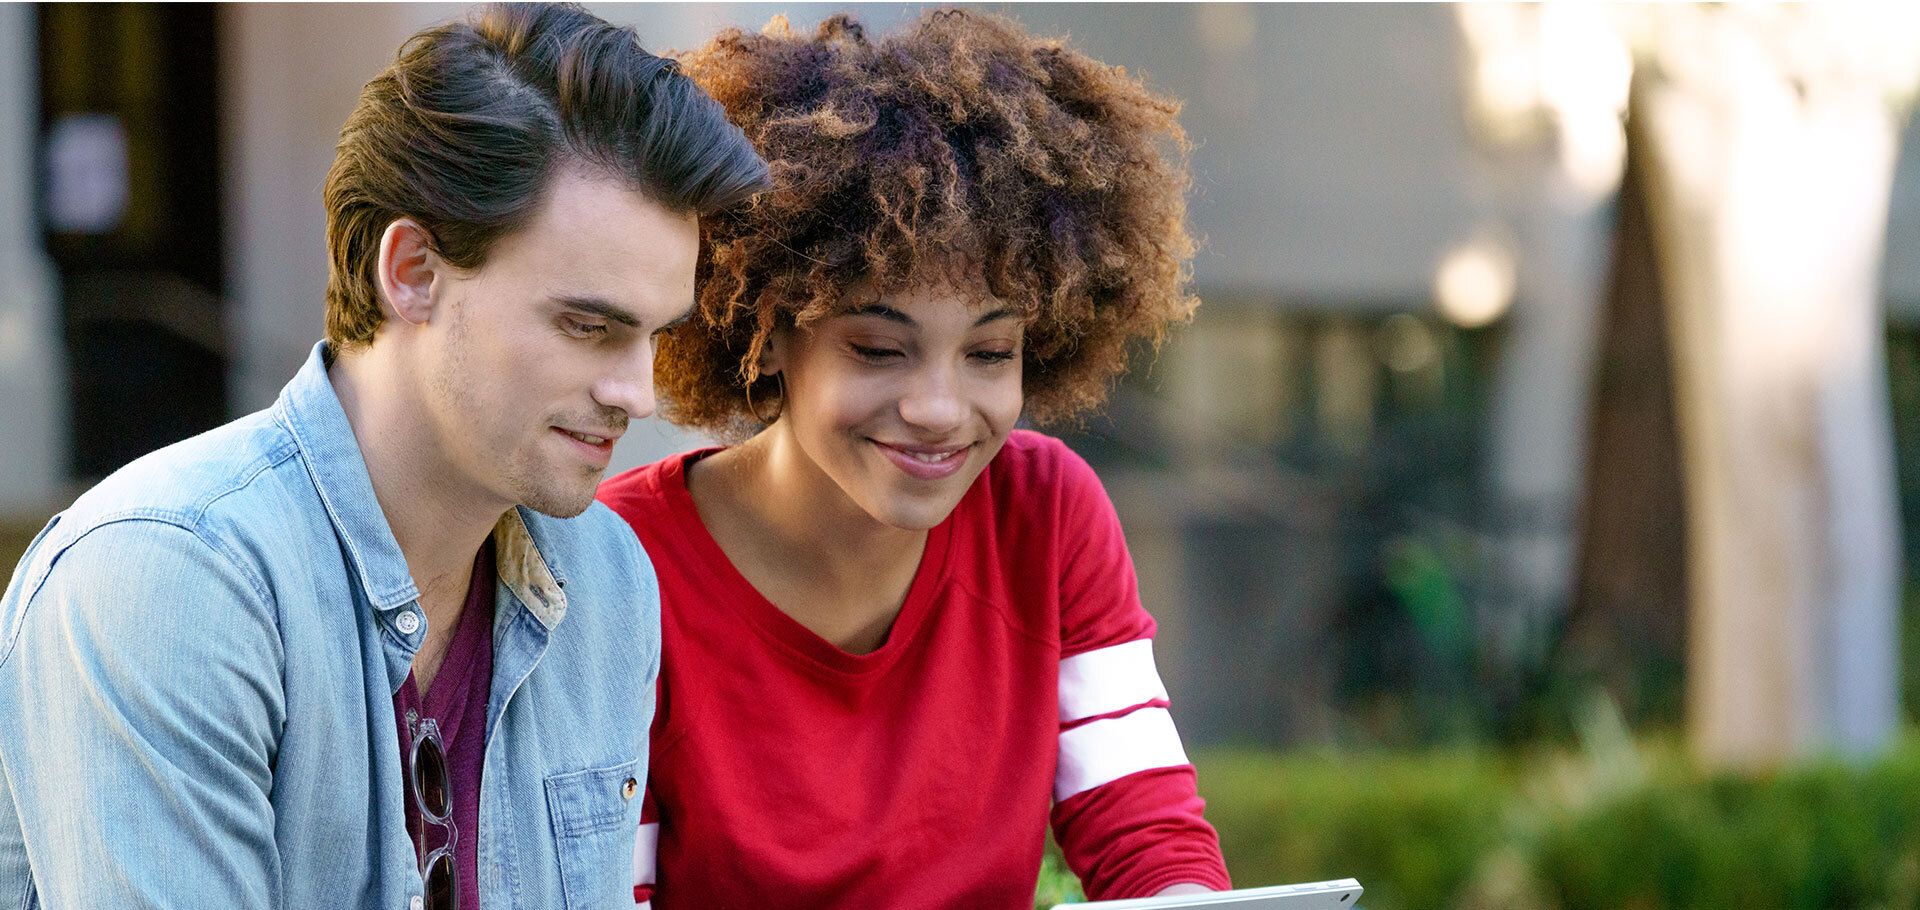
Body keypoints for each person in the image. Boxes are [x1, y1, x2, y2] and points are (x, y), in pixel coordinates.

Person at [0, 5, 768, 908]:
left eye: (654, 335)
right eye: (586, 325)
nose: (636, 393)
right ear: (411, 273)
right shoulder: (169, 578)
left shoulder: (608, 583)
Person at [596, 10, 1230, 907]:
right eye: (879, 349)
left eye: (989, 353)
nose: (940, 411)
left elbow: (1150, 843)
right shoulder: (619, 566)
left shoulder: (1044, 515)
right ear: (770, 333)